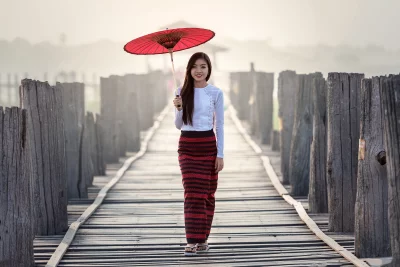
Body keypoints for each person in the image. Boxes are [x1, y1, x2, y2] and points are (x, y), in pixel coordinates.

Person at [173, 52, 224, 256]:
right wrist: (178, 108)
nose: (199, 70)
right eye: (195, 66)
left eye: (203, 66)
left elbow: (219, 125)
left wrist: (220, 154)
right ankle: (192, 240)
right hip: (187, 145)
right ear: (189, 70)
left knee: (207, 195)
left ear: (208, 69)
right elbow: (179, 125)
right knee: (192, 193)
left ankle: (202, 238)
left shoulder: (216, 93)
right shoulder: (181, 91)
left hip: (208, 146)